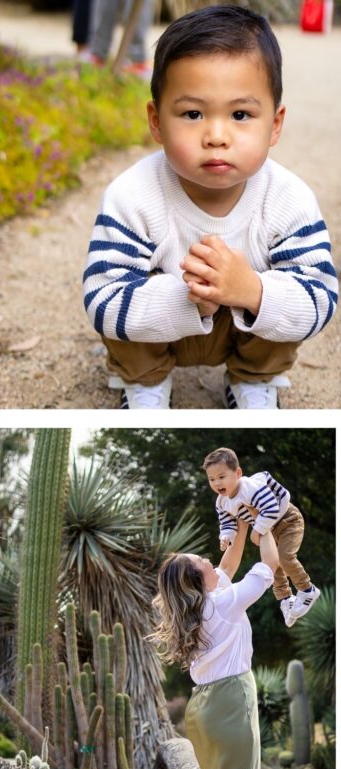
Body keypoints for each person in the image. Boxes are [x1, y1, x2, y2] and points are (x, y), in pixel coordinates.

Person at [82, 6, 336, 409]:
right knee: (123, 316)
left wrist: (252, 290)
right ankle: (146, 384)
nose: (216, 136)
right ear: (156, 121)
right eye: (193, 114)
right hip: (160, 331)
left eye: (240, 114)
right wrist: (190, 295)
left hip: (244, 329)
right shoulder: (131, 196)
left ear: (274, 124)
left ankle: (253, 379)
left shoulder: (288, 198)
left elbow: (320, 297)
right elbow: (102, 299)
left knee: (286, 302)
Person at [149, 527, 280, 769]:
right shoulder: (223, 603)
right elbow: (269, 565)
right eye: (202, 560)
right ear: (198, 578)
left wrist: (241, 525)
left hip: (201, 710)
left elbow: (228, 565)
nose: (209, 561)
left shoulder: (199, 609)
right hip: (231, 701)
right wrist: (265, 526)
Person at [203, 447, 319, 626]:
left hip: (286, 520)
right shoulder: (222, 502)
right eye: (211, 479)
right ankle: (285, 599)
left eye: (221, 477)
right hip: (267, 526)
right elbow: (227, 523)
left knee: (284, 557)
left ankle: (307, 589)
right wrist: (226, 537)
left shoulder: (249, 488)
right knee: (272, 565)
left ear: (238, 473)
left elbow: (271, 508)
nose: (217, 483)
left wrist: (258, 529)